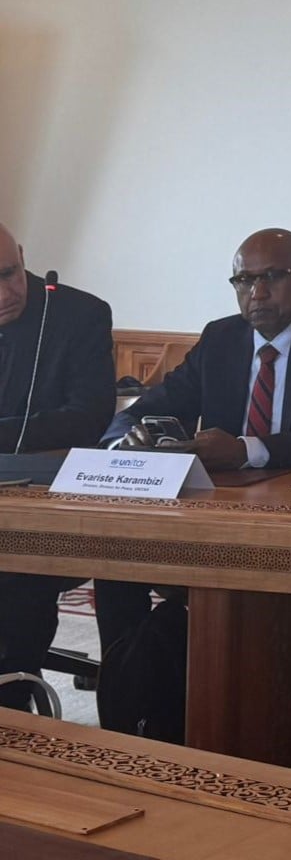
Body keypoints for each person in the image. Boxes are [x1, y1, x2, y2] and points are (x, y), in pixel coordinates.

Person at [94, 227, 291, 727]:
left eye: (273, 277)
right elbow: (154, 405)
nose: (257, 293)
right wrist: (126, 441)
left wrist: (247, 449)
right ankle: (128, 711)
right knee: (115, 558)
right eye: (244, 280)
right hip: (215, 511)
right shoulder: (221, 338)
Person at [0, 222, 116, 711]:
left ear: (23, 257)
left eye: (8, 273)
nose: (4, 293)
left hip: (44, 508)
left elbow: (89, 416)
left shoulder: (78, 315)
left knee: (15, 589)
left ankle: (14, 708)